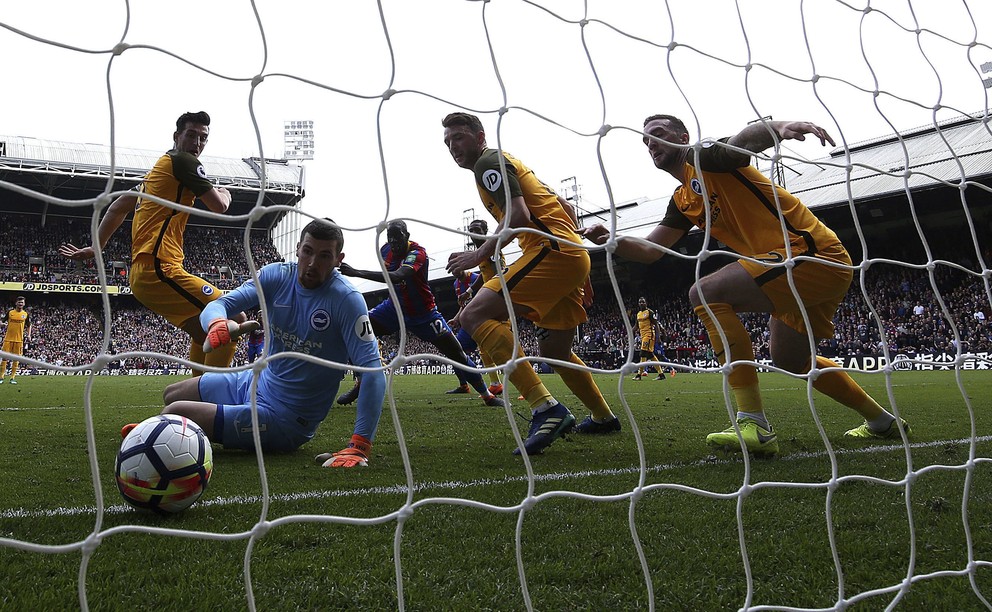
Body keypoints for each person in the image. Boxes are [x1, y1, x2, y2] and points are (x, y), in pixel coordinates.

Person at [583, 114, 911, 456]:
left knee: (705, 293)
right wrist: (611, 239)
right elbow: (651, 250)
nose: (651, 143)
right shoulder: (682, 199)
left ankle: (753, 422)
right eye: (645, 140)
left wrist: (778, 128)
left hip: (809, 253)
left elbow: (741, 142)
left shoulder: (702, 157)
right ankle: (882, 421)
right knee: (790, 360)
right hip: (795, 268)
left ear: (682, 137)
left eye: (658, 134)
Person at [442, 111, 620, 455]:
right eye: (448, 141)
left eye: (459, 137)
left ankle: (546, 408)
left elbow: (520, 217)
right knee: (555, 352)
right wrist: (579, 274)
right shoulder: (511, 162)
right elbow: (566, 207)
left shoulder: (487, 162)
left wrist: (478, 255)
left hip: (549, 251)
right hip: (567, 257)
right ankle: (602, 416)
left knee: (473, 316)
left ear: (480, 137)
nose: (453, 146)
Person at [145, 218, 386, 467]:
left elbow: (374, 371)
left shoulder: (347, 300)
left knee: (175, 412)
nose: (313, 263)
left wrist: (360, 445)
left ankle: (153, 440)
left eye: (324, 256)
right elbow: (219, 305)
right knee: (172, 394)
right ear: (297, 248)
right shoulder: (276, 276)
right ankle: (158, 434)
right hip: (254, 382)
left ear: (338, 259)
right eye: (308, 251)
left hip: (286, 417)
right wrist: (217, 323)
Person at [59, 111, 249, 375]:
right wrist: (226, 194)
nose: (197, 143)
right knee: (233, 318)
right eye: (191, 135)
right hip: (158, 269)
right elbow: (219, 206)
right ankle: (211, 397)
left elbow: (117, 207)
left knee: (205, 329)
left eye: (203, 138)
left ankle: (192, 399)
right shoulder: (182, 161)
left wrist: (97, 247)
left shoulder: (157, 176)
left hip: (149, 273)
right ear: (176, 136)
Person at [335, 219, 504, 409]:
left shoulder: (418, 253)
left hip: (424, 314)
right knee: (358, 328)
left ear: (406, 236)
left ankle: (487, 395)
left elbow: (399, 276)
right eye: (390, 239)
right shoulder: (385, 250)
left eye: (397, 238)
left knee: (456, 353)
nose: (394, 243)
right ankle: (361, 381)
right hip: (394, 308)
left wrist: (357, 272)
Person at [449, 218, 507, 396]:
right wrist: (469, 292)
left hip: (497, 301)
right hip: (487, 302)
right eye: (471, 230)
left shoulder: (491, 249)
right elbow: (484, 276)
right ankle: (495, 383)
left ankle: (527, 385)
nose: (473, 233)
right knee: (484, 345)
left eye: (477, 230)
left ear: (485, 231)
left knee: (503, 347)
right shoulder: (482, 254)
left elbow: (500, 271)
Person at [632, 296, 671, 381]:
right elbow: (636, 326)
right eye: (640, 302)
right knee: (650, 355)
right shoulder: (638, 314)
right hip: (643, 336)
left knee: (642, 353)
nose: (641, 303)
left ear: (646, 303)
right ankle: (661, 374)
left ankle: (639, 375)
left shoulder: (650, 312)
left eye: (643, 302)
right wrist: (631, 332)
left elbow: (656, 324)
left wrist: (658, 336)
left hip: (649, 335)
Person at [0, 296, 30, 384]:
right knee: (5, 358)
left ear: (24, 304)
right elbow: (2, 321)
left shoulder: (25, 314)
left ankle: (12, 378)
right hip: (8, 339)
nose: (20, 304)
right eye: (19, 302)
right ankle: (1, 377)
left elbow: (29, 325)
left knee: (16, 359)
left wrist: (29, 335)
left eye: (22, 302)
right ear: (16, 303)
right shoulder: (10, 312)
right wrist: (3, 324)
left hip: (19, 340)